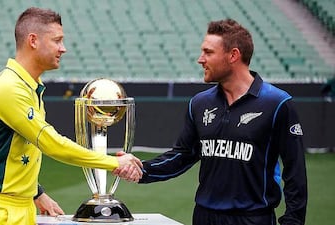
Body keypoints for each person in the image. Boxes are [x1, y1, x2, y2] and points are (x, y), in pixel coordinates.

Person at [116, 19, 307, 225]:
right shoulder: (199, 103)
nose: (200, 59)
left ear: (233, 55)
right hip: (204, 217)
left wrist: (293, 221)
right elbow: (183, 155)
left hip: (253, 219)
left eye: (208, 52)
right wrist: (141, 169)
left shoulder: (277, 103)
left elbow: (295, 171)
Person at [0, 7, 142, 225]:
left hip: (19, 206)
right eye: (57, 40)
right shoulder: (9, 88)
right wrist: (112, 163)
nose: (63, 49)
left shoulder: (29, 86)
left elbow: (16, 151)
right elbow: (51, 144)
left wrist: (36, 193)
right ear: (33, 40)